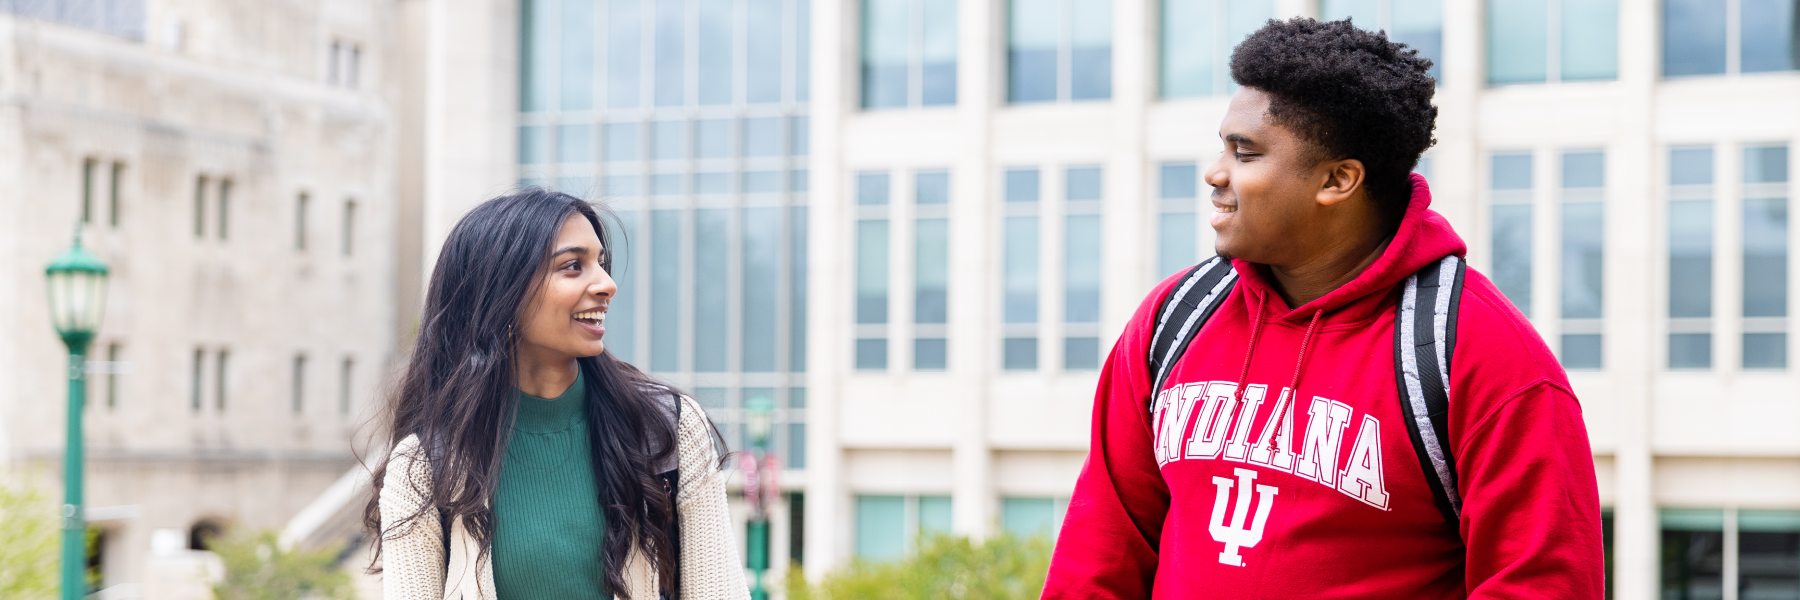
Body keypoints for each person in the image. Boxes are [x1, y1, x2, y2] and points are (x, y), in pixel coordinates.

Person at [1041, 18, 1603, 598]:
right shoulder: (1176, 316)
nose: (1215, 173)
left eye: (1246, 154)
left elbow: (1541, 584)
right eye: (1223, 148)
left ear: (1338, 180)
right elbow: (1101, 551)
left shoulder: (1479, 353)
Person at [363, 189, 749, 599]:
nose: (606, 284)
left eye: (600, 263)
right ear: (503, 293)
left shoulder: (666, 429)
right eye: (572, 266)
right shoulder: (425, 466)